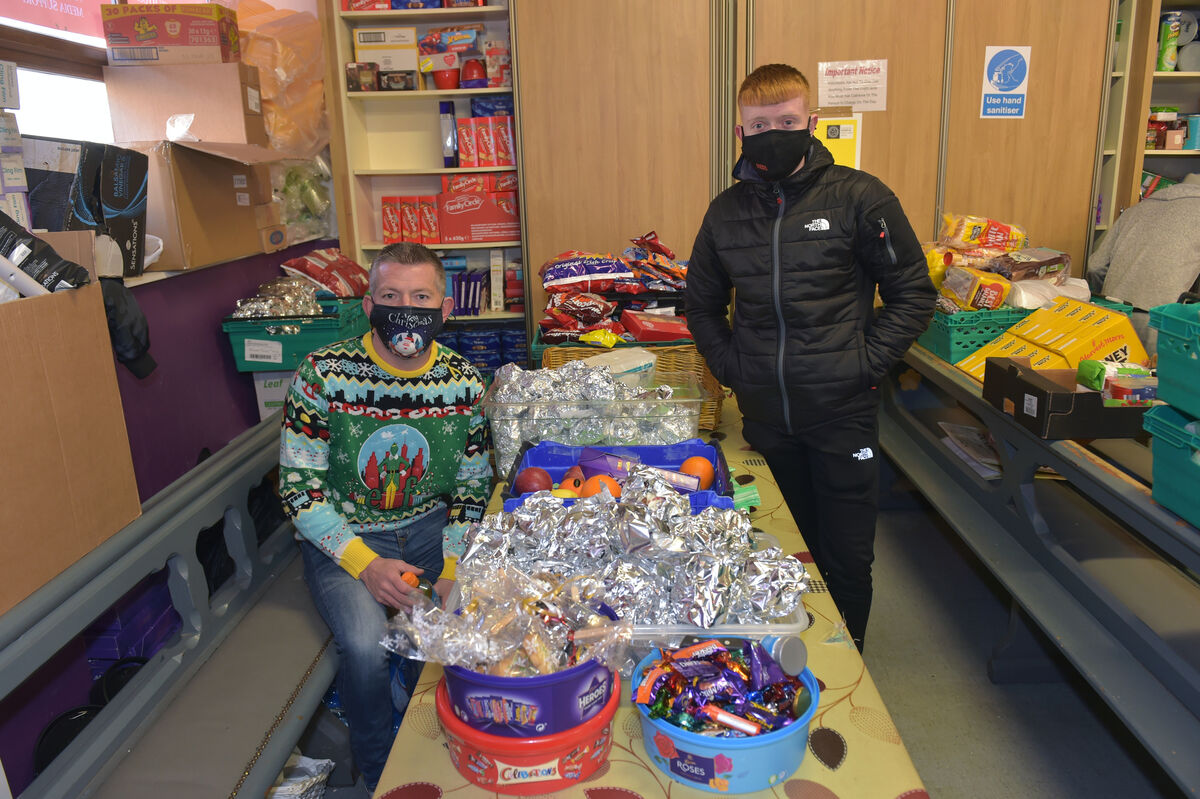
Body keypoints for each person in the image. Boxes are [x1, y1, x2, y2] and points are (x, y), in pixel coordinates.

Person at [685, 64, 936, 651]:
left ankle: (846, 670)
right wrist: (733, 367)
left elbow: (913, 293)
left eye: (788, 121)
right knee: (781, 554)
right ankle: (786, 667)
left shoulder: (861, 197)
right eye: (759, 124)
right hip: (766, 420)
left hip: (843, 413)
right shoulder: (725, 213)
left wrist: (863, 363)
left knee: (846, 561)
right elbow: (700, 303)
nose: (774, 132)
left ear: (812, 123)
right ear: (740, 131)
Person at [279, 242, 491, 790]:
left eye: (421, 297)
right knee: (365, 647)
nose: (406, 309)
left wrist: (449, 570)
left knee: (460, 627)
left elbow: (471, 487)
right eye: (391, 295)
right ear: (369, 305)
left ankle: (442, 742)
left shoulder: (464, 382)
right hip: (343, 537)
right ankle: (376, 771)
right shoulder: (322, 375)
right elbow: (300, 493)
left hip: (428, 532)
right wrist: (365, 564)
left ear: (445, 310)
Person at [1086, 173, 1200, 354]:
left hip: (1113, 316)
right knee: (1152, 380)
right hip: (1162, 324)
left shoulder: (1137, 209)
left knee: (1107, 379)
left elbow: (1095, 266)